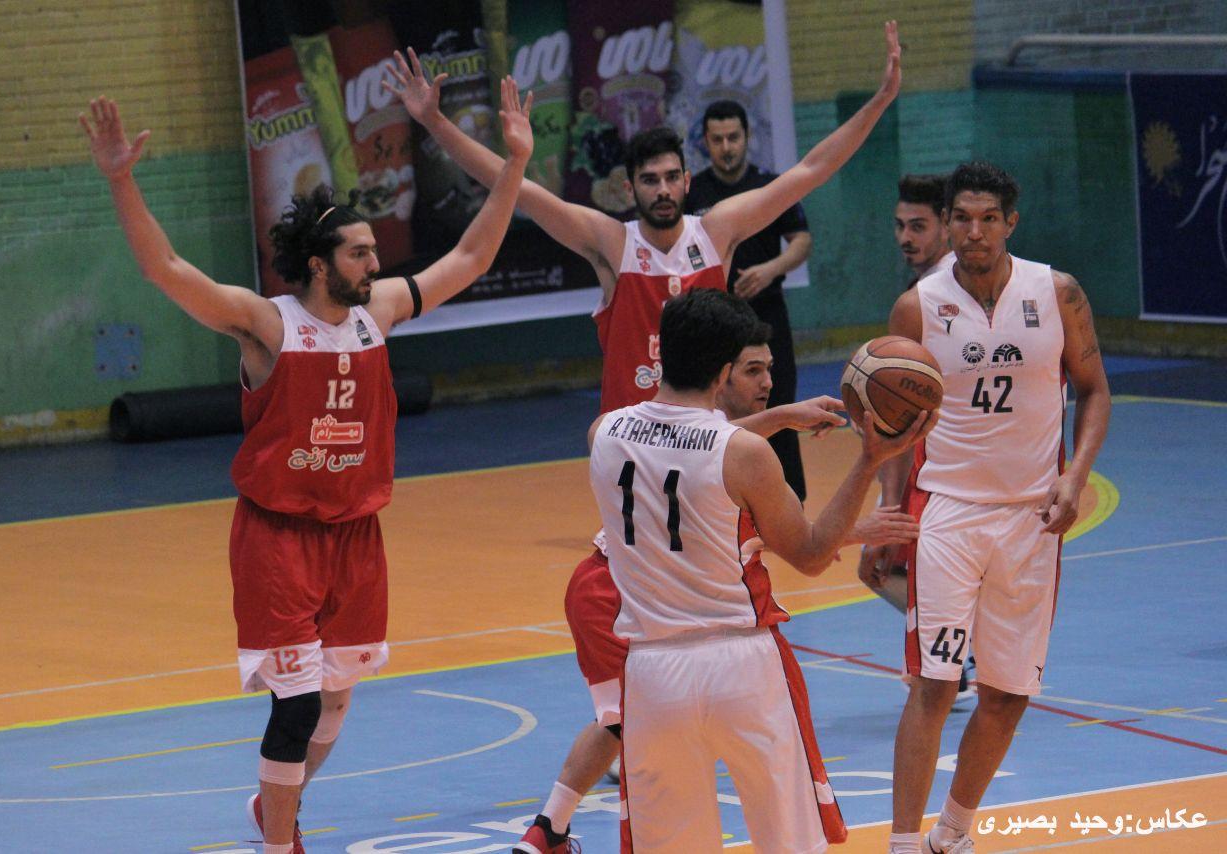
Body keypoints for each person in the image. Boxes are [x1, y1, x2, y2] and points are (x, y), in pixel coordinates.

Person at [385, 21, 904, 854]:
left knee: (677, 663)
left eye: (672, 176)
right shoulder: (610, 243)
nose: (662, 189)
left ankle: (558, 819)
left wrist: (878, 101)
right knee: (741, 606)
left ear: (687, 180)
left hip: (699, 465)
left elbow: (811, 169)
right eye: (649, 179)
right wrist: (437, 122)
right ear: (629, 188)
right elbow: (516, 190)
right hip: (656, 458)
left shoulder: (716, 229)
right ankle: (589, 802)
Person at [80, 86, 533, 854]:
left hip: (357, 536)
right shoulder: (267, 326)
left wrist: (515, 162)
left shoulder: (378, 313)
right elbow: (166, 268)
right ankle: (281, 843)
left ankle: (276, 812)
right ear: (320, 264)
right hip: (279, 538)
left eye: (373, 251)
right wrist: (121, 178)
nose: (375, 262)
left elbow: (471, 258)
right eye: (360, 252)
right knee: (292, 708)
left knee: (333, 706)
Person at [587, 289, 934, 853]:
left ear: (662, 352)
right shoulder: (744, 455)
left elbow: (679, 437)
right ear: (726, 371)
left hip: (652, 673)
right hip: (741, 666)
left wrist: (779, 417)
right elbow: (812, 554)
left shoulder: (604, 433)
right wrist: (870, 458)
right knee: (788, 842)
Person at [882, 161, 1110, 854]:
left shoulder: (1058, 292)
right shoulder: (918, 306)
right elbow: (892, 420)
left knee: (1008, 693)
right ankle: (900, 844)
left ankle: (952, 833)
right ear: (948, 224)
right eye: (962, 218)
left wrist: (1074, 477)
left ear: (1011, 223)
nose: (974, 232)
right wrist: (890, 510)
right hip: (947, 512)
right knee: (934, 684)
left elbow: (1094, 390)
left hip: (1033, 517)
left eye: (988, 219)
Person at [687, 99, 813, 503]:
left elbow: (801, 240)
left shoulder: (768, 187)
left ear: (747, 137)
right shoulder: (693, 193)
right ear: (706, 142)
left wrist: (770, 269)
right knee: (717, 411)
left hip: (767, 316)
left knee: (777, 403)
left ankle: (790, 502)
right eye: (718, 139)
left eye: (733, 138)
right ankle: (724, 500)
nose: (726, 147)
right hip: (717, 326)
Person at [859, 173, 954, 613]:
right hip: (939, 465)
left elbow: (900, 411)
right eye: (900, 226)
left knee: (887, 572)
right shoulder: (935, 289)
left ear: (946, 226)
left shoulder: (930, 299)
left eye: (918, 226)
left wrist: (891, 507)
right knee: (895, 577)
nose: (905, 238)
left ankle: (958, 652)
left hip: (939, 469)